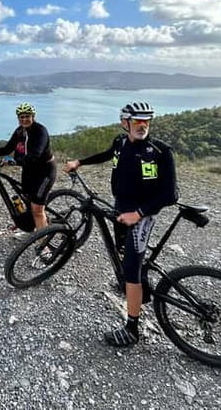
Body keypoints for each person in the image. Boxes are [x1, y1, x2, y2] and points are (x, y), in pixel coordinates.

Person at [63, 101, 177, 347]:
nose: (142, 125)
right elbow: (106, 155)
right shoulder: (120, 143)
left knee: (131, 270)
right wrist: (79, 162)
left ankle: (132, 328)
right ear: (125, 122)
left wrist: (139, 213)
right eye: (137, 120)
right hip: (121, 208)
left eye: (146, 120)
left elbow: (170, 195)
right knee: (125, 252)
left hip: (142, 215)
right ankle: (138, 289)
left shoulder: (160, 151)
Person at [0, 102, 56, 238]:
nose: (24, 119)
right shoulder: (20, 131)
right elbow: (7, 149)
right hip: (28, 170)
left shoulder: (40, 131)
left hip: (45, 171)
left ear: (33, 116)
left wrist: (14, 161)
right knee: (25, 197)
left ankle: (44, 246)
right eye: (21, 117)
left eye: (27, 116)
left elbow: (35, 155)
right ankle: (35, 226)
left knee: (37, 209)